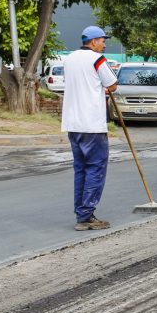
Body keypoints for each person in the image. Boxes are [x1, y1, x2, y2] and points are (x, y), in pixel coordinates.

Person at [61, 26, 118, 231]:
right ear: (93, 41)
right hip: (91, 124)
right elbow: (112, 84)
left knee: (81, 169)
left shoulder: (70, 59)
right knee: (95, 168)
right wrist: (105, 86)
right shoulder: (97, 59)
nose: (104, 44)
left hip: (73, 123)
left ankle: (82, 212)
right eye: (103, 40)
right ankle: (86, 216)